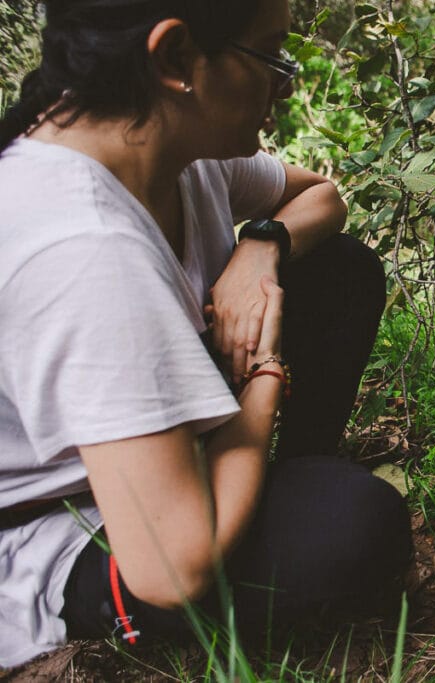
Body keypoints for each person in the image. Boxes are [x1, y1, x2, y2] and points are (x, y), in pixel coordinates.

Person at [0, 0, 411, 668]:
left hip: (166, 454)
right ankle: (274, 488)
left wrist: (262, 244)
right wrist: (264, 373)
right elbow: (172, 568)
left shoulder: (177, 152)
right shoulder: (83, 247)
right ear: (174, 58)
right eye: (270, 55)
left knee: (341, 268)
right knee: (352, 524)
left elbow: (324, 197)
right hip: (68, 524)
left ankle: (279, 476)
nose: (286, 84)